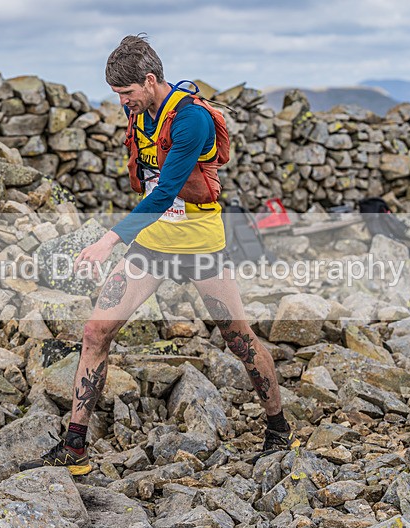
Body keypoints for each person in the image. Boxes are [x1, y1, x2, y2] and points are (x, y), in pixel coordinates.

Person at [20, 34, 299, 476]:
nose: (123, 103)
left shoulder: (191, 122)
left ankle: (279, 428)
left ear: (150, 80)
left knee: (239, 340)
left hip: (200, 245)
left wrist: (108, 240)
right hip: (151, 245)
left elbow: (167, 189)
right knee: (95, 332)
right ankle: (74, 448)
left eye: (127, 93)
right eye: (117, 96)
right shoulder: (141, 114)